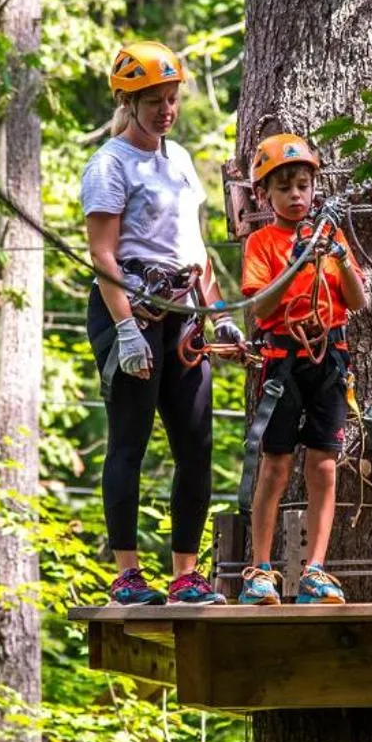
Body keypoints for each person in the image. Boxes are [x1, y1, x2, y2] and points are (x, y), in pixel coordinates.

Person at [82, 40, 242, 606]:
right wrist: (124, 328)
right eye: (153, 100)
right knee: (130, 441)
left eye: (171, 99)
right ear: (128, 101)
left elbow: (194, 248)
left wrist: (218, 317)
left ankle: (185, 574)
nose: (165, 110)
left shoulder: (177, 160)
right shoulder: (109, 164)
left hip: (184, 311)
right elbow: (103, 256)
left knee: (195, 444)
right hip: (132, 308)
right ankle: (127, 574)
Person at [236, 133, 365, 606]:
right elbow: (259, 306)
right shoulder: (262, 242)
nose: (295, 195)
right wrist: (294, 267)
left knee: (324, 465)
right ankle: (261, 570)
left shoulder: (331, 238)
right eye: (285, 187)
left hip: (328, 359)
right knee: (275, 464)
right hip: (282, 361)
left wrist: (337, 259)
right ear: (265, 195)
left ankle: (316, 570)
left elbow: (358, 300)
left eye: (303, 185)